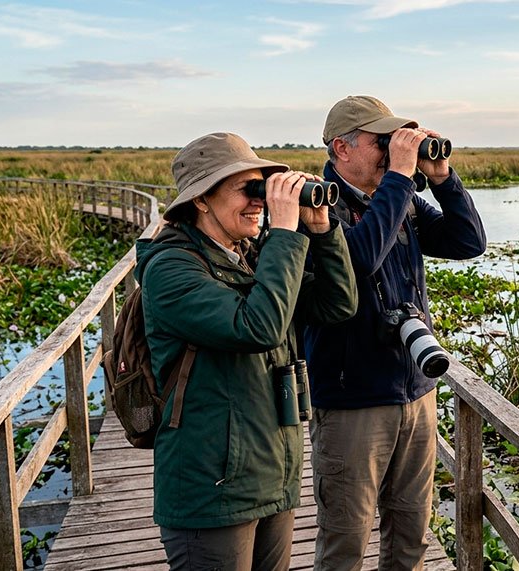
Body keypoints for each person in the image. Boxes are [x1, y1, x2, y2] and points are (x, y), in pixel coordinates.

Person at [136, 132, 358, 570]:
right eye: (247, 189)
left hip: (272, 473)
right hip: (212, 489)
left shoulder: (253, 255)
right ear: (200, 200)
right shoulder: (171, 268)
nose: (259, 201)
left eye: (263, 188)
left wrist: (321, 229)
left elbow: (337, 305)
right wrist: (286, 234)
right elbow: (259, 327)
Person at [304, 95, 486, 570]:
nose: (391, 151)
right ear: (341, 149)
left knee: (411, 536)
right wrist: (403, 178)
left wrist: (443, 178)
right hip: (352, 403)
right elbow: (359, 260)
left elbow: (468, 242)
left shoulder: (398, 200)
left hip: (415, 392)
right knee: (345, 544)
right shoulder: (316, 209)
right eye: (380, 141)